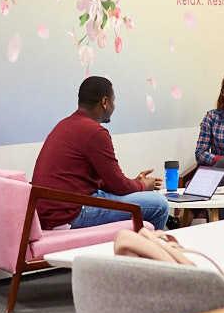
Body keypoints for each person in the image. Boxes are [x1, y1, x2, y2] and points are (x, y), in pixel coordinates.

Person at [33, 76, 170, 231]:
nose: (114, 106)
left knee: (142, 199)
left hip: (49, 212)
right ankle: (145, 253)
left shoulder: (65, 124)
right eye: (113, 100)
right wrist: (143, 186)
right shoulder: (95, 132)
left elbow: (107, 182)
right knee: (159, 204)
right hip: (70, 213)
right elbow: (119, 186)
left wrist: (134, 183)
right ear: (105, 102)